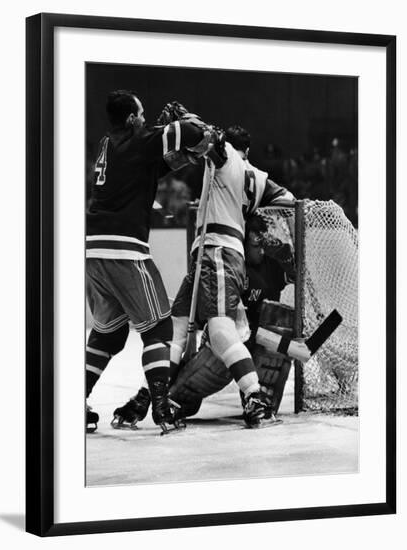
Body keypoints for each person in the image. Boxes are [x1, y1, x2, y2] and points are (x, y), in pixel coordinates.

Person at [113, 121, 294, 429]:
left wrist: (183, 121)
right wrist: (251, 214)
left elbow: (211, 144)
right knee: (176, 332)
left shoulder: (226, 158)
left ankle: (255, 399)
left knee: (219, 332)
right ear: (249, 150)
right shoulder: (260, 177)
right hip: (209, 256)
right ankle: (151, 397)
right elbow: (289, 202)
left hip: (218, 253)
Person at [85, 91, 222, 434]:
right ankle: (161, 408)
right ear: (131, 118)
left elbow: (155, 164)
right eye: (142, 114)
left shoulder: (108, 143)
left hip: (92, 251)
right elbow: (189, 132)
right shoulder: (142, 137)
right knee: (159, 330)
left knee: (109, 335)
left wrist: (183, 154)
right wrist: (194, 128)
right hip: (125, 251)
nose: (146, 118)